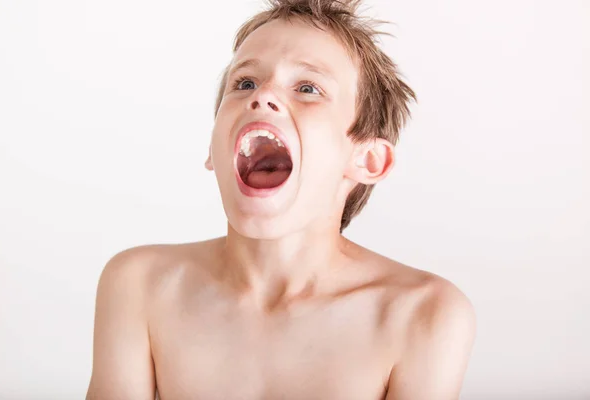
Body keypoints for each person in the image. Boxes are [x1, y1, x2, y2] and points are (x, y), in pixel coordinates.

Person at [86, 0, 476, 399]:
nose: (263, 96)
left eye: (308, 88)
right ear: (212, 148)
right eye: (245, 83)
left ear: (367, 160)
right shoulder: (139, 285)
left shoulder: (423, 314)